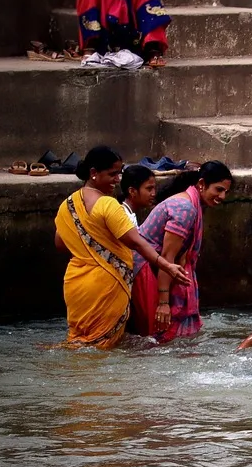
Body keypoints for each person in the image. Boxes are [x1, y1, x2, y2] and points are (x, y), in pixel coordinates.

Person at [53, 146, 188, 349]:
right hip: (105, 285)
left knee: (80, 341)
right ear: (93, 173)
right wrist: (166, 265)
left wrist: (90, 251)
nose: (117, 180)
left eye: (119, 173)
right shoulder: (107, 205)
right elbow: (136, 241)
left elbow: (60, 244)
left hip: (76, 285)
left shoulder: (67, 205)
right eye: (112, 174)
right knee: (101, 347)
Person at [127, 161, 233, 342]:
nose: (222, 196)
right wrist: (163, 303)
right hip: (145, 270)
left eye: (225, 192)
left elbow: (179, 255)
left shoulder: (191, 204)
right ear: (201, 184)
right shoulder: (185, 208)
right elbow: (168, 258)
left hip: (155, 269)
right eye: (218, 189)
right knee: (156, 337)